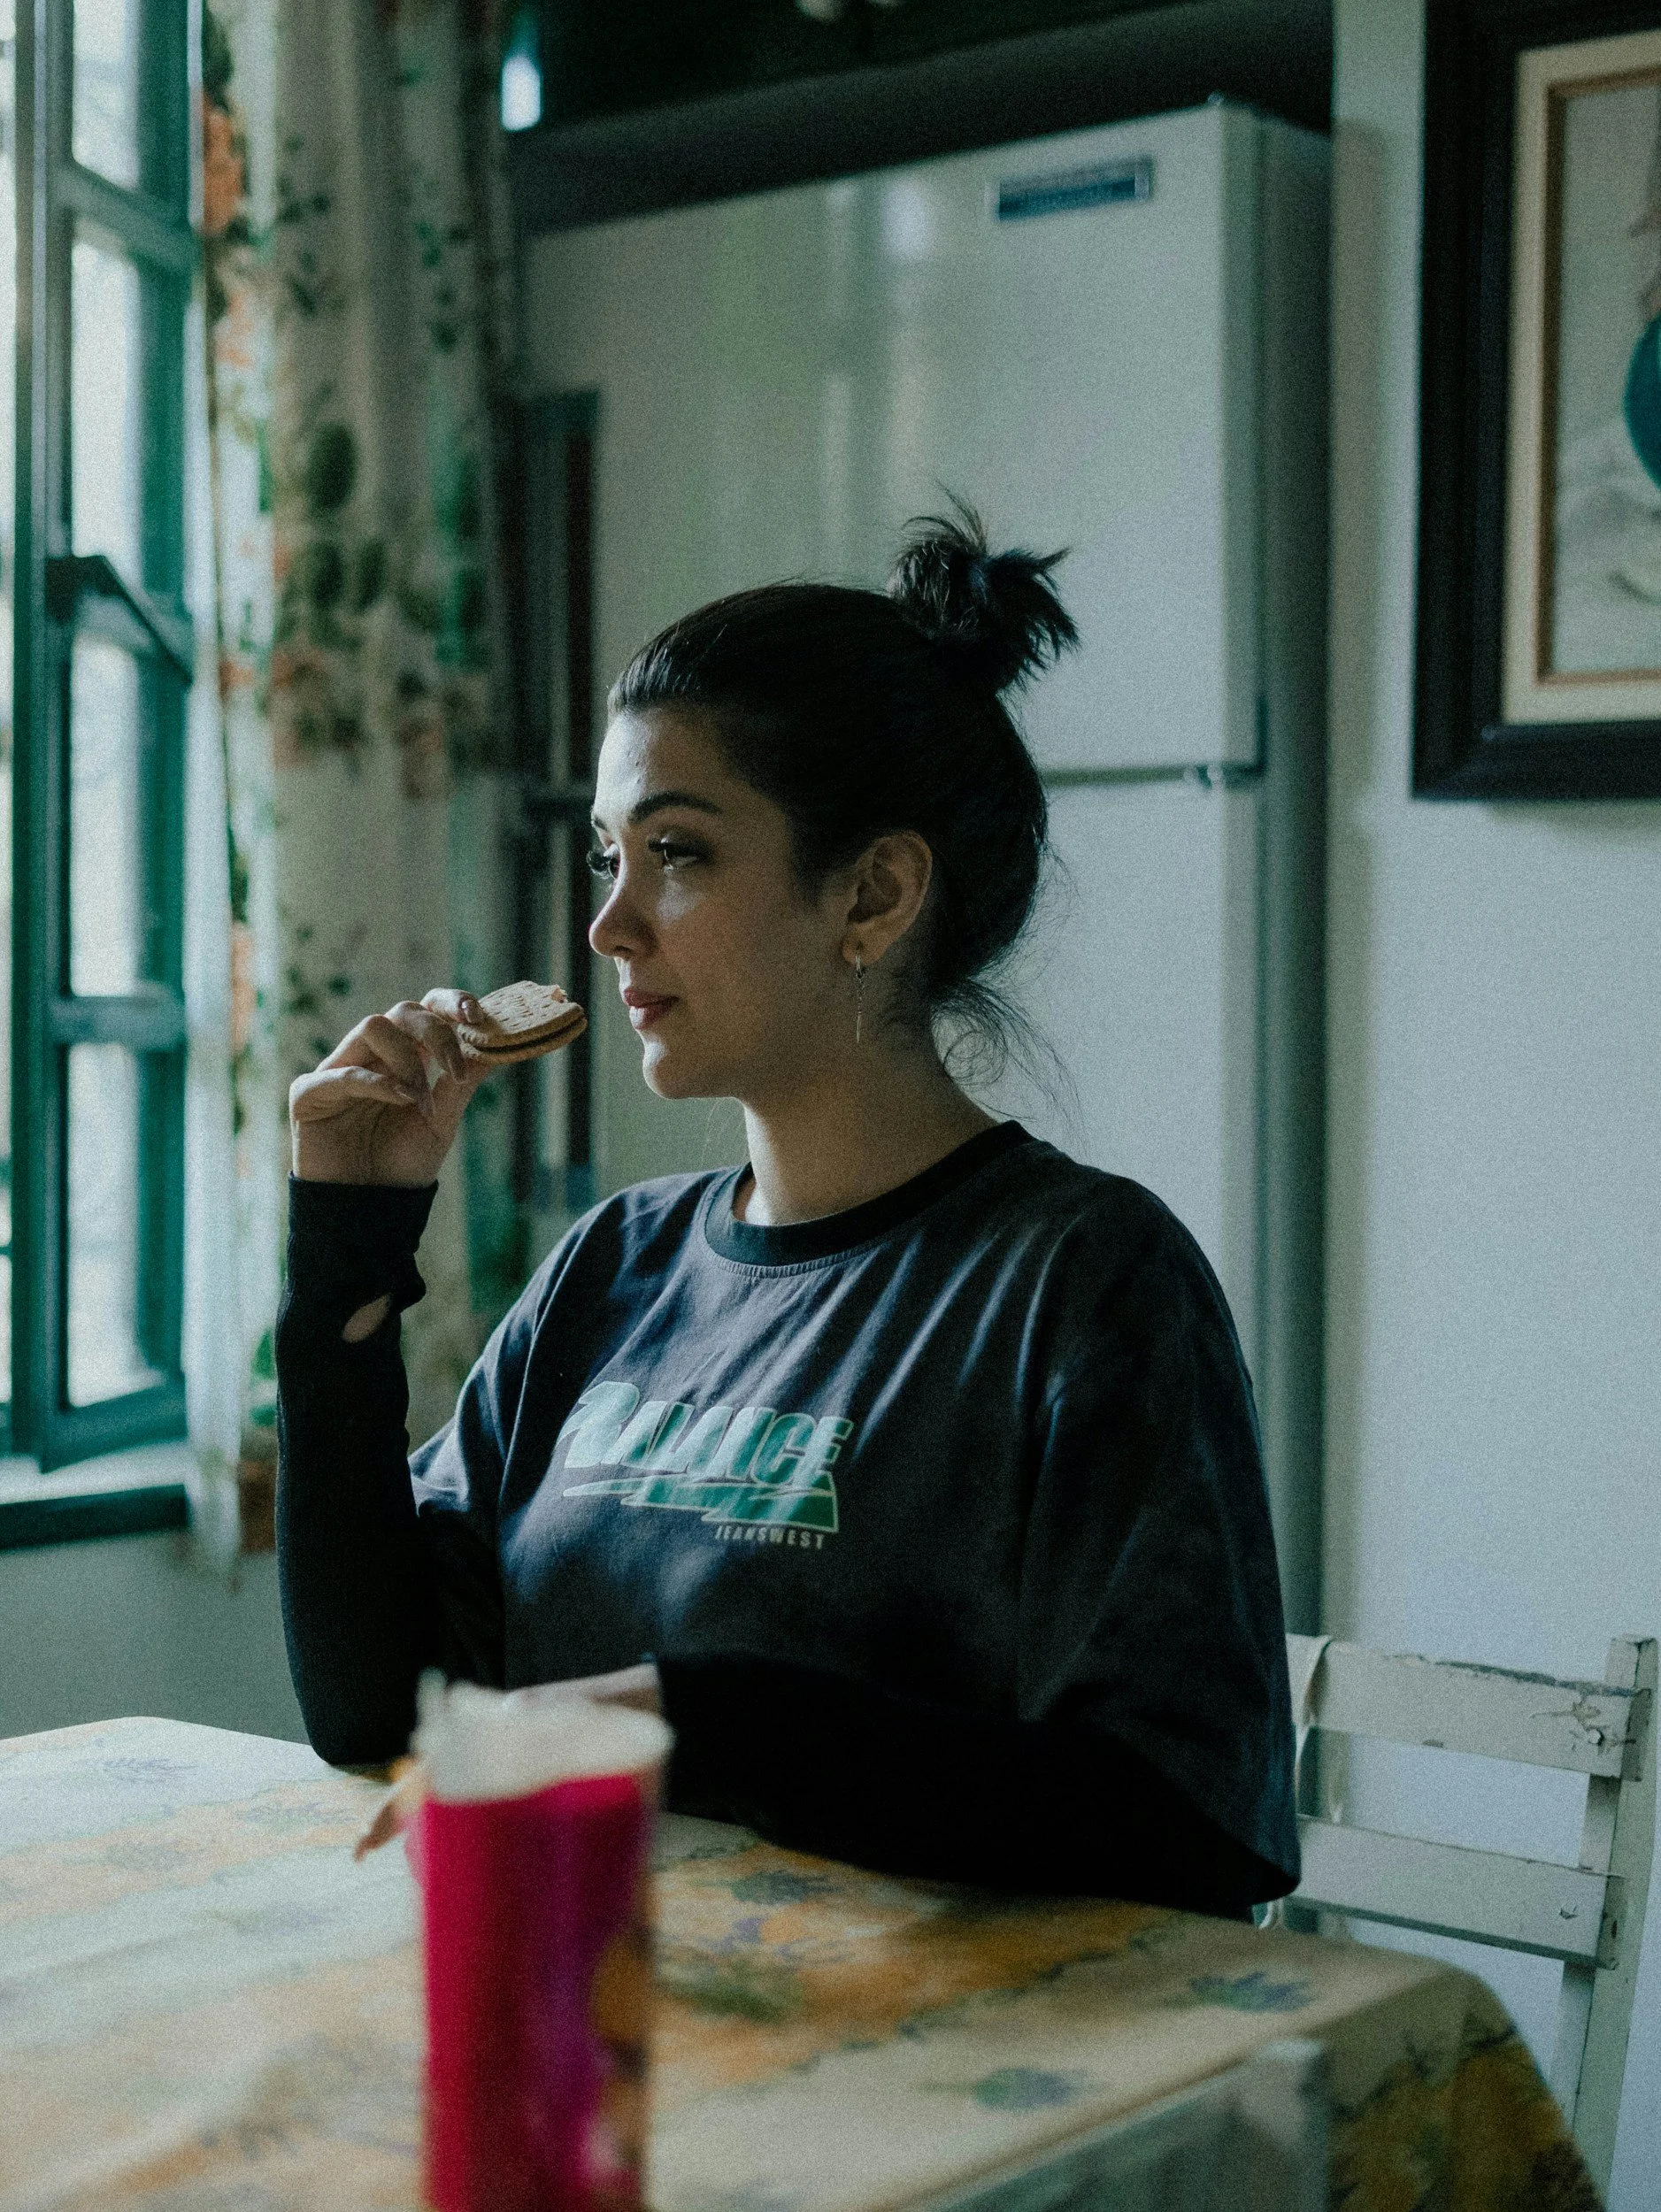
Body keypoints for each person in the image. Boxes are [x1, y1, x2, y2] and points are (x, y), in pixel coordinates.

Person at [277, 505, 1298, 1914]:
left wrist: (689, 1723)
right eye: (606, 855)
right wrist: (345, 1239)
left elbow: (1179, 1823)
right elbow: (378, 1713)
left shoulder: (1088, 1287)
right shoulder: (611, 1271)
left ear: (873, 894)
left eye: (678, 852)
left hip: (929, 2097)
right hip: (603, 2030)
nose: (608, 925)